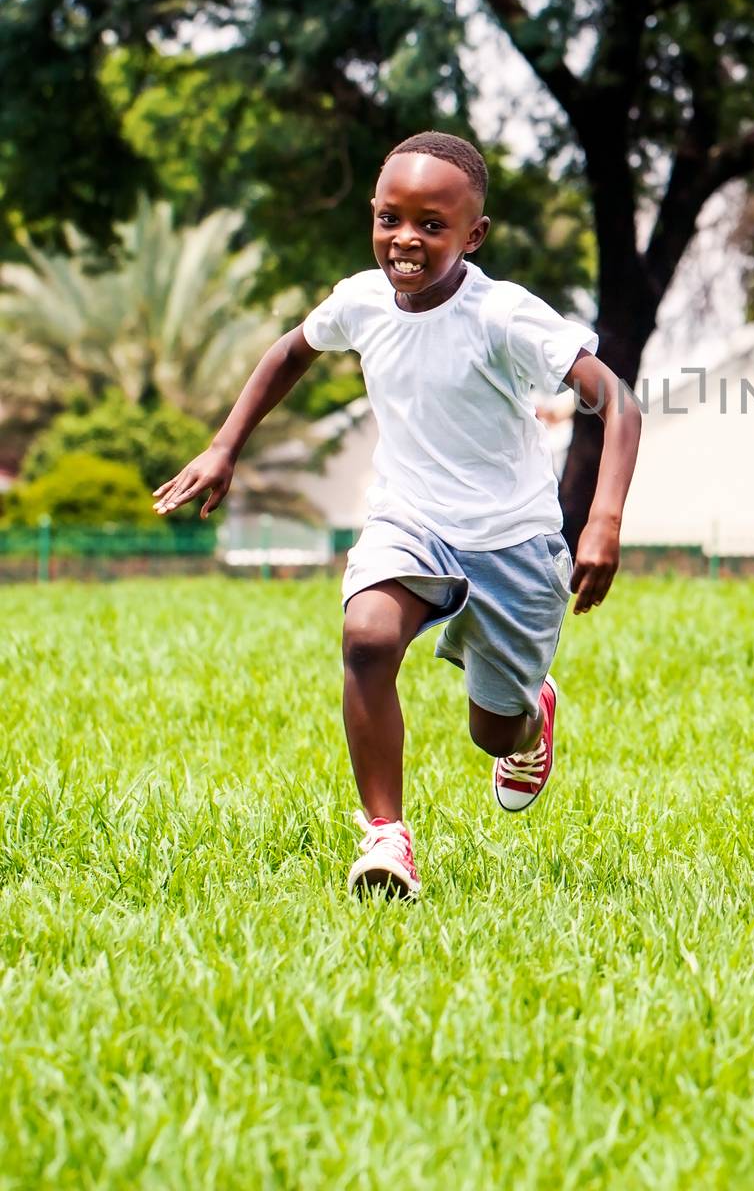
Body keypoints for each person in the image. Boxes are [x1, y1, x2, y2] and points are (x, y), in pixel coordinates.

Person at [155, 132, 641, 899]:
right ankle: (387, 838)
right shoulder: (360, 301)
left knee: (493, 729)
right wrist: (225, 447)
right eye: (389, 218)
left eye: (431, 224)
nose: (405, 240)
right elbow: (291, 350)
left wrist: (604, 520)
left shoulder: (504, 315)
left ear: (473, 235)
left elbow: (617, 400)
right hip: (410, 520)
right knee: (367, 638)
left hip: (512, 541)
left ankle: (530, 717)